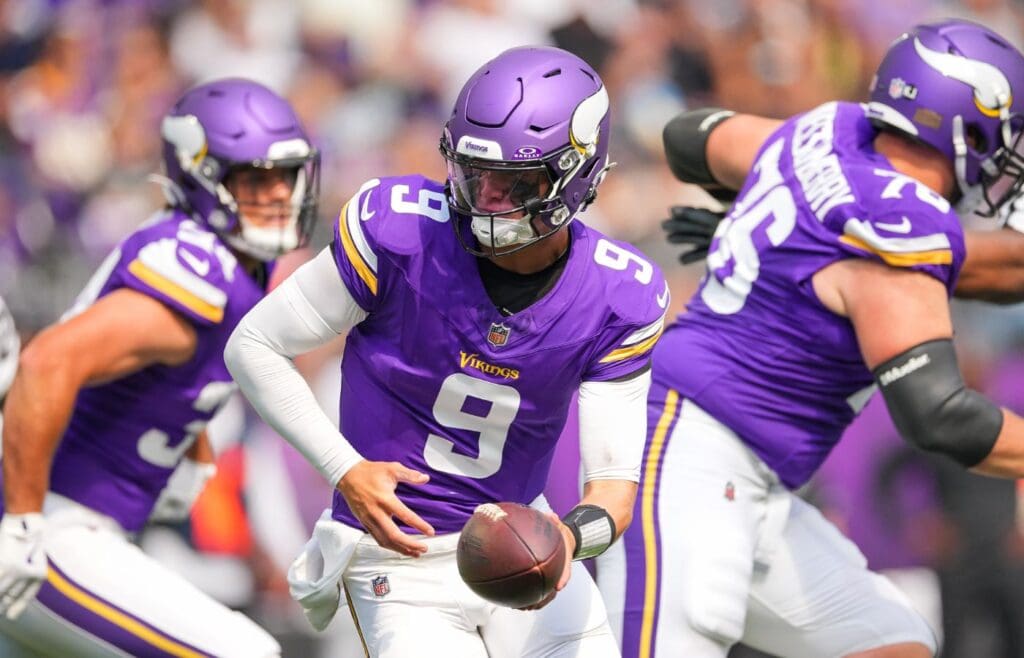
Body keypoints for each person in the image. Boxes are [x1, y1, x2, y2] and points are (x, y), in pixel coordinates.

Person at [598, 19, 1024, 658]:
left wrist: (773, 231)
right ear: (966, 125)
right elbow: (941, 416)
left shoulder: (825, 132)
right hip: (684, 452)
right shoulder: (896, 229)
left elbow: (689, 138)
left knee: (891, 642)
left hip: (753, 476)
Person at [225, 45, 668, 658]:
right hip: (397, 556)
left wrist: (565, 539)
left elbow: (612, 488)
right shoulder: (398, 232)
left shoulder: (619, 295)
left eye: (514, 183)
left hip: (520, 540)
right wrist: (343, 469)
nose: (485, 198)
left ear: (578, 172)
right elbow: (255, 345)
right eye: (472, 173)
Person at [0, 77, 319, 657]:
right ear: (202, 179)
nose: (277, 195)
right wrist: (20, 522)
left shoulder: (229, 263)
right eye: (253, 179)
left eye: (284, 176)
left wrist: (189, 440)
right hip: (50, 526)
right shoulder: (200, 272)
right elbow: (45, 362)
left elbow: (163, 368)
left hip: (85, 526)